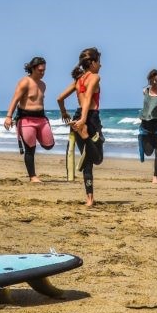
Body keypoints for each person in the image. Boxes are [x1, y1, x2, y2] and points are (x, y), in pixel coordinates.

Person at [56, 47, 104, 206]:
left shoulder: (78, 80)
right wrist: (83, 120)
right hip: (89, 119)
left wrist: (65, 114)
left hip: (76, 119)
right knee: (97, 159)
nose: (101, 65)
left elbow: (59, 98)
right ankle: (85, 135)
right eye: (99, 62)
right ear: (92, 63)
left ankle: (89, 198)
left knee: (88, 161)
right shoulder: (95, 77)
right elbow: (89, 97)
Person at [5, 57, 55, 182]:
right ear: (33, 69)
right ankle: (33, 176)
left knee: (49, 145)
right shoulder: (25, 82)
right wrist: (9, 117)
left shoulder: (43, 85)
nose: (42, 73)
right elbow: (15, 99)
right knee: (30, 149)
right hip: (26, 119)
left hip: (41, 119)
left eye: (44, 70)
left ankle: (33, 137)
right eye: (40, 70)